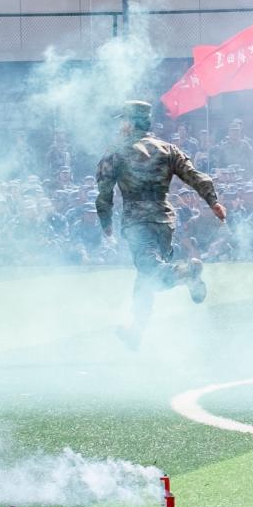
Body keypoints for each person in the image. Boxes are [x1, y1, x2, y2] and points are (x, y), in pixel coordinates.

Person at [95, 101, 227, 349]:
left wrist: (106, 222)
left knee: (151, 271)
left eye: (123, 121)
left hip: (137, 221)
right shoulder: (168, 149)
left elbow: (104, 193)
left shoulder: (116, 152)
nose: (119, 126)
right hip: (164, 221)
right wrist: (213, 201)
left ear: (130, 123)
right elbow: (195, 176)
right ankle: (136, 332)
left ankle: (186, 273)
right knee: (145, 280)